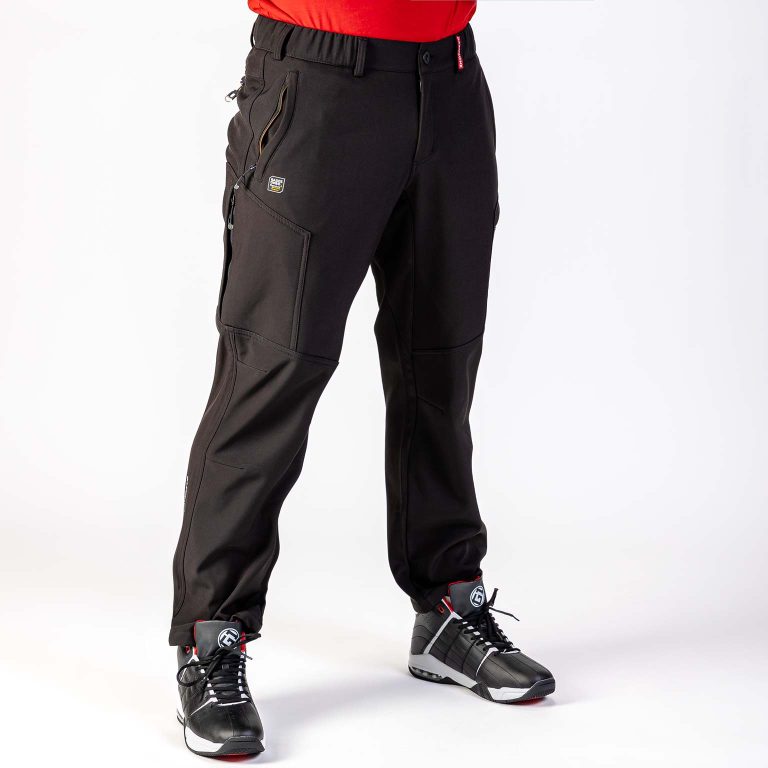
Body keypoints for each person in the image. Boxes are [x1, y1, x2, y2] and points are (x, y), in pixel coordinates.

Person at [171, 0, 555, 757]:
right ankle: (209, 639)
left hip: (448, 80)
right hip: (317, 85)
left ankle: (447, 609)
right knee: (274, 368)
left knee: (440, 361)